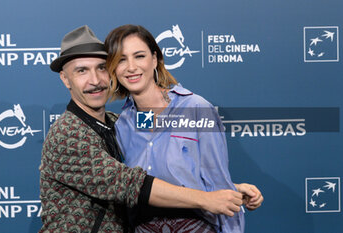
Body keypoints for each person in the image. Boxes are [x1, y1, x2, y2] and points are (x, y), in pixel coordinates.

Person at [39, 25, 250, 233]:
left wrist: (228, 189)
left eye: (101, 67)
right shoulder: (67, 134)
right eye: (82, 71)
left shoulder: (122, 121)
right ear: (66, 79)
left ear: (155, 59)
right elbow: (132, 185)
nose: (95, 80)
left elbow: (156, 163)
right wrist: (207, 198)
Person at [104, 24, 263, 232]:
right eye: (122, 59)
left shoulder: (196, 109)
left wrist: (231, 193)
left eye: (139, 56)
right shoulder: (123, 124)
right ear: (113, 67)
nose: (131, 67)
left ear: (155, 59)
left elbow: (218, 186)